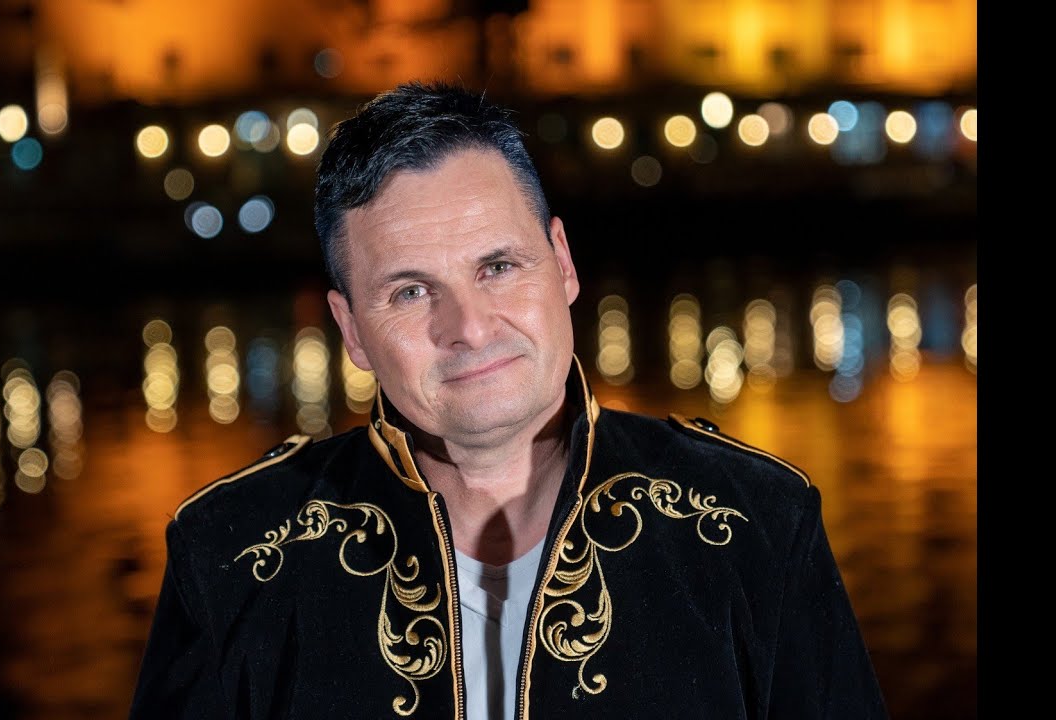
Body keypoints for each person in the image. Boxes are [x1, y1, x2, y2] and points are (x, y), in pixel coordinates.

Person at [129, 81, 889, 720]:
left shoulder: (756, 524)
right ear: (352, 330)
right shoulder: (229, 553)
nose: (468, 328)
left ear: (562, 264)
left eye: (497, 266)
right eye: (411, 291)